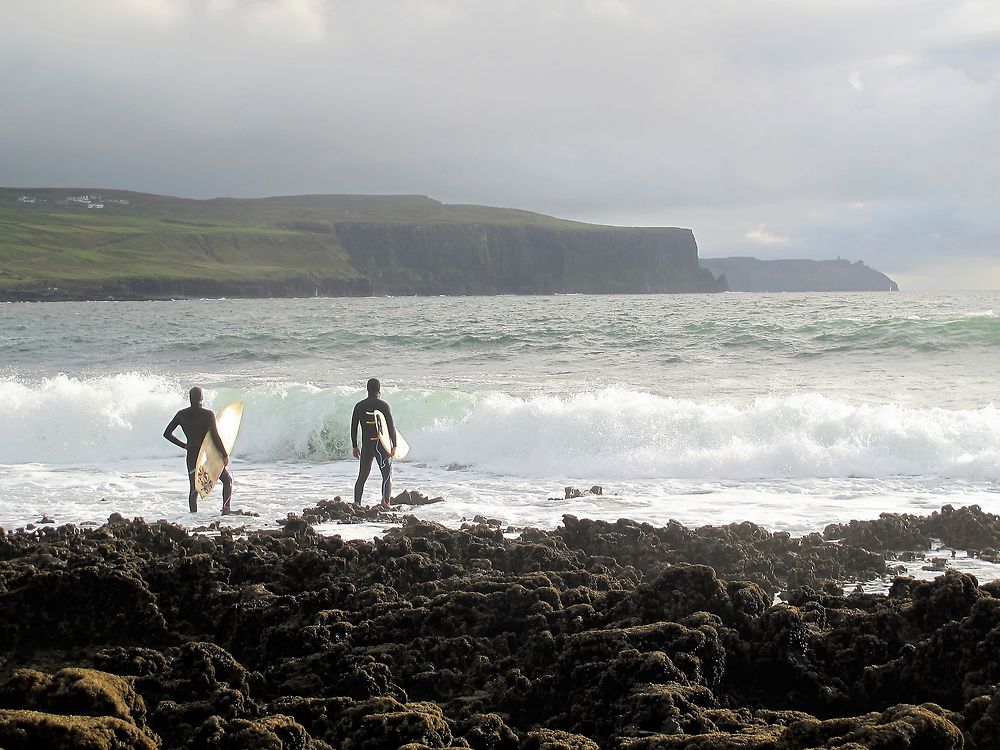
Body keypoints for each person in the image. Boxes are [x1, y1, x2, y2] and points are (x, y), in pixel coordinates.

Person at [163, 386, 232, 514]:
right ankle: (226, 509)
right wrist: (224, 454)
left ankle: (193, 517)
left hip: (192, 455)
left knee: (194, 489)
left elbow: (167, 434)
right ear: (202, 398)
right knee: (227, 480)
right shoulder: (208, 414)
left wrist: (184, 445)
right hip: (208, 455)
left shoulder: (181, 414)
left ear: (190, 399)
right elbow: (215, 436)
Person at [351, 378, 396, 508]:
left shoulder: (359, 406)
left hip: (366, 446)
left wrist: (354, 446)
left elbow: (354, 427)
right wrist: (394, 445)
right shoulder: (383, 405)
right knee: (387, 474)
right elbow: (391, 427)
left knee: (362, 476)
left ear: (367, 389)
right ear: (379, 389)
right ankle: (385, 502)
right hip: (381, 446)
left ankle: (357, 503)